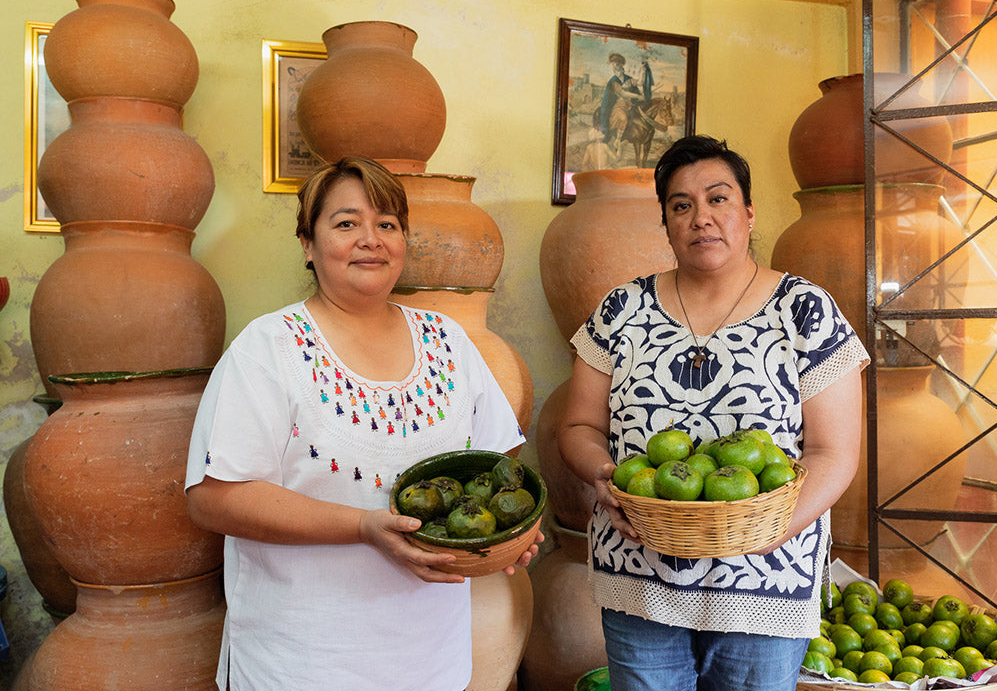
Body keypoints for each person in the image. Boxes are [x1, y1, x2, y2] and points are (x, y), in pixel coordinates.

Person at [185, 155, 537, 691]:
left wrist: (507, 538)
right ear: (308, 244)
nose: (370, 239)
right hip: (303, 660)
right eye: (346, 223)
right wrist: (362, 527)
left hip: (429, 655)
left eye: (387, 224)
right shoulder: (269, 347)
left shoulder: (447, 341)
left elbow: (494, 469)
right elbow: (213, 498)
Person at [559, 135, 868, 691]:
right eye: (681, 205)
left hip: (765, 586)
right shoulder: (621, 309)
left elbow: (835, 452)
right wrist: (603, 477)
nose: (701, 217)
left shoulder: (805, 310)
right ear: (667, 223)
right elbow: (579, 426)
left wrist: (773, 532)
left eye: (718, 199)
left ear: (748, 213)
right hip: (641, 575)